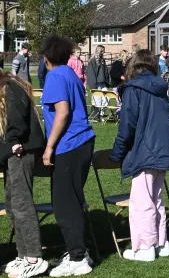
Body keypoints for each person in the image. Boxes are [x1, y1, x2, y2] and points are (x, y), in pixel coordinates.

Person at [110, 49, 169, 261]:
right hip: (162, 149)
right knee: (155, 198)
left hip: (146, 150)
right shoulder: (158, 88)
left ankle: (146, 246)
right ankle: (160, 243)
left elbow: (127, 125)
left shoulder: (133, 89)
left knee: (141, 202)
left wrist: (117, 153)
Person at [40, 36, 96, 277]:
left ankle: (77, 257)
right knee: (72, 199)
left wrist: (49, 146)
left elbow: (62, 112)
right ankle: (78, 251)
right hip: (82, 142)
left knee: (64, 204)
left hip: (69, 145)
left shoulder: (55, 76)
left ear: (45, 58)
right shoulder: (70, 73)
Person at [0, 71, 48, 278]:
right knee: (12, 203)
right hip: (11, 152)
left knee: (21, 204)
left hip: (20, 151)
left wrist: (11, 143)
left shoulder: (10, 87)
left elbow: (16, 121)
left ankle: (33, 258)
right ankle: (22, 254)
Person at [86, 45, 110, 121]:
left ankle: (101, 114)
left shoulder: (102, 60)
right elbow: (91, 73)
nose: (104, 52)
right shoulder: (92, 61)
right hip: (96, 83)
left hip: (103, 82)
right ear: (99, 51)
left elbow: (105, 72)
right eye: (103, 51)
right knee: (97, 99)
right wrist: (93, 85)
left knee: (107, 98)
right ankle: (96, 115)